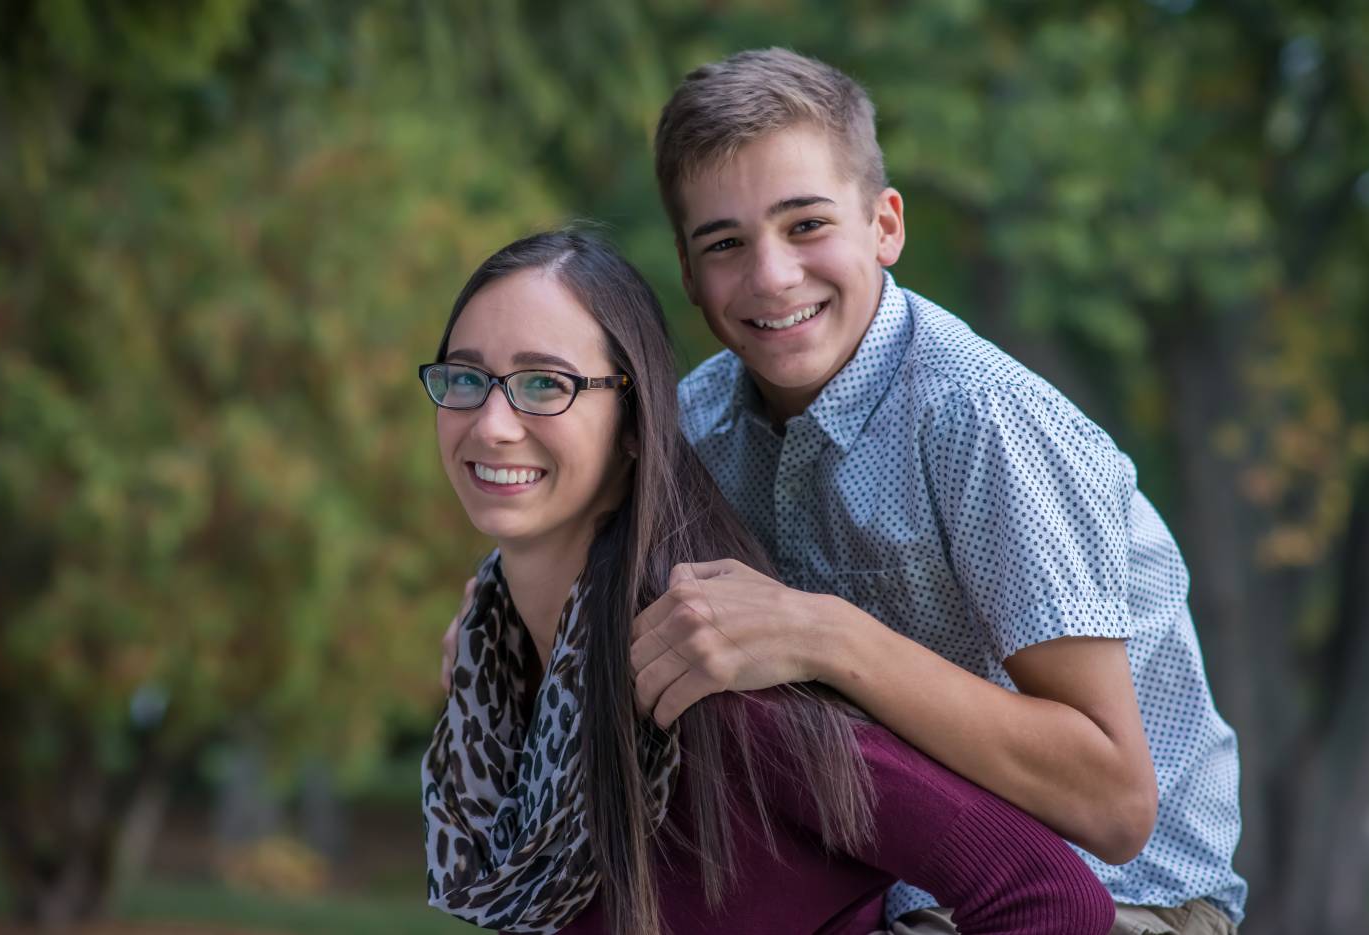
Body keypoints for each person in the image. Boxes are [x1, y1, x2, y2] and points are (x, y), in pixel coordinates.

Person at [632, 48, 1246, 935]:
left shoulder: (984, 422)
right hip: (875, 887)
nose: (771, 275)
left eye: (806, 224)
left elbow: (1113, 802)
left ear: (884, 226)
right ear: (689, 275)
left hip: (1120, 898)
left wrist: (824, 634)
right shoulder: (695, 429)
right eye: (725, 244)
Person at [420, 230, 1114, 935]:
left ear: (634, 424)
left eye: (545, 383)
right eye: (465, 379)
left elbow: (1053, 898)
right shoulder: (496, 680)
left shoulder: (709, 686)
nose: (493, 424)